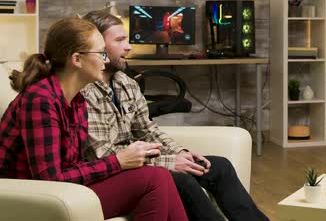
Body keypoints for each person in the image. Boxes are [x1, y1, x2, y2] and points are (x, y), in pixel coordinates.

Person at [81, 11, 269, 221]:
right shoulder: (85, 91)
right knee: (181, 180)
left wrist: (181, 153)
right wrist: (169, 161)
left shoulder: (126, 83)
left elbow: (147, 130)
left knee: (220, 167)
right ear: (97, 46)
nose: (129, 46)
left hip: (140, 160)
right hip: (118, 171)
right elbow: (103, 155)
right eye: (119, 40)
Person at [0, 17, 188, 221]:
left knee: (160, 176)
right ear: (77, 59)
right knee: (154, 178)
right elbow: (50, 179)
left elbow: (73, 166)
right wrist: (118, 162)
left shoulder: (77, 100)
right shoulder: (41, 100)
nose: (106, 60)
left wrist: (126, 161)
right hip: (26, 197)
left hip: (60, 191)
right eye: (101, 53)